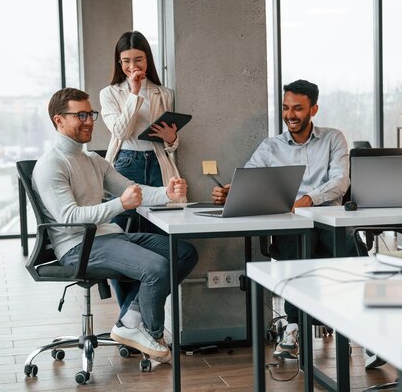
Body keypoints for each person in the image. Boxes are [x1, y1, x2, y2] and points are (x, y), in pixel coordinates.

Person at [32, 88, 198, 363]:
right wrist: (120, 204)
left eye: (91, 114)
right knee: (156, 268)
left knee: (183, 252)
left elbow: (134, 190)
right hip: (78, 246)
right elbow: (70, 217)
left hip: (109, 236)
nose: (89, 120)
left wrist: (167, 193)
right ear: (58, 120)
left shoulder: (93, 160)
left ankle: (130, 320)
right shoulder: (52, 164)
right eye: (80, 115)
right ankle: (152, 333)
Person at [211, 79, 350, 359]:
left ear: (314, 109)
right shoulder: (271, 146)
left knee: (350, 255)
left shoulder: (333, 138)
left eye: (298, 109)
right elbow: (250, 177)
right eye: (286, 108)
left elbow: (341, 180)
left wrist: (308, 200)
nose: (290, 115)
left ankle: (359, 329)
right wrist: (231, 192)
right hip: (291, 224)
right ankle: (294, 325)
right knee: (296, 241)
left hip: (328, 218)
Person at [100, 30, 182, 230]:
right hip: (126, 162)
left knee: (160, 224)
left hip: (157, 162)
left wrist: (171, 139)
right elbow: (121, 132)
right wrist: (134, 92)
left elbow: (172, 143)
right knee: (123, 225)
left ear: (147, 59)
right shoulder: (109, 93)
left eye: (138, 59)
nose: (133, 66)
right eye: (126, 61)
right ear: (119, 63)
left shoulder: (164, 94)